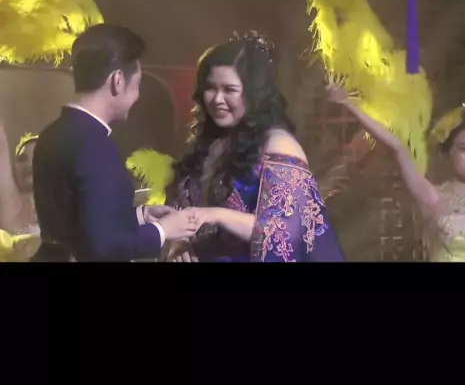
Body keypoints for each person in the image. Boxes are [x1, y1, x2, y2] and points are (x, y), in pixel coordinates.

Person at [149, 31, 345, 262]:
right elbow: (177, 207)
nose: (217, 99)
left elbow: (286, 233)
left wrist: (217, 215)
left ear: (254, 95)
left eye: (229, 90)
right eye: (210, 88)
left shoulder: (278, 144)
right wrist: (178, 241)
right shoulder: (205, 145)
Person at [31, 24, 201, 262]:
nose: (137, 95)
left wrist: (140, 216)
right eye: (138, 84)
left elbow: (80, 222)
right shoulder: (95, 146)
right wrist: (163, 230)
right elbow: (105, 248)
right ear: (118, 80)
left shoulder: (53, 134)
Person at [326, 81, 465, 262]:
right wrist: (349, 104)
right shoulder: (433, 198)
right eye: (464, 149)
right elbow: (398, 148)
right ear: (448, 154)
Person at [0, 124, 40, 260]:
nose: (29, 163)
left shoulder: (69, 210)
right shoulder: (10, 206)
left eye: (37, 157)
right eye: (22, 159)